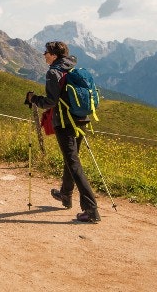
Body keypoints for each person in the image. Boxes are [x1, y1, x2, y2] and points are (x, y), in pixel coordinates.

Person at [26, 41, 101, 224]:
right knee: (71, 160)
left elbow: (50, 102)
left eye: (46, 52)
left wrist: (33, 99)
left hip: (66, 123)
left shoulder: (53, 72)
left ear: (53, 55)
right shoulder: (72, 67)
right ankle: (65, 195)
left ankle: (91, 210)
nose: (44, 55)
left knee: (73, 164)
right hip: (81, 120)